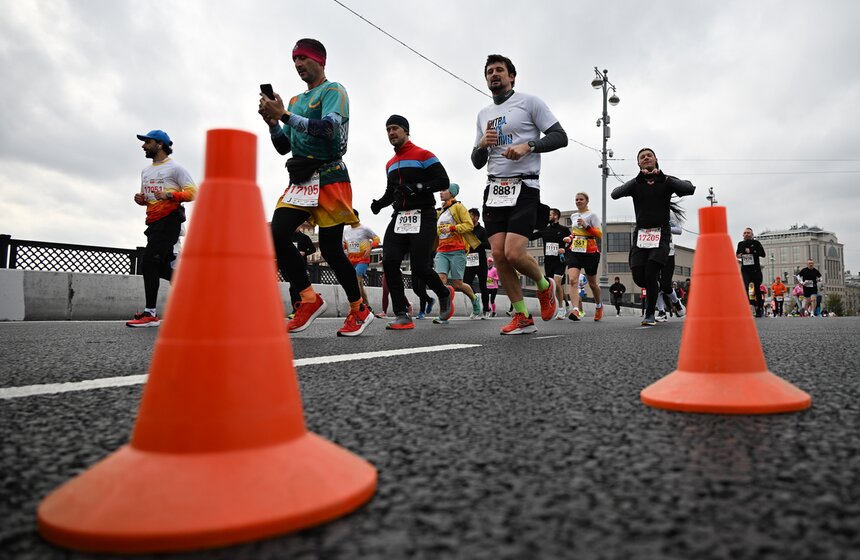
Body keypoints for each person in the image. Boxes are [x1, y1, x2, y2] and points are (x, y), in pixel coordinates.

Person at [259, 38, 373, 337]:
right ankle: (309, 298)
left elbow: (328, 129)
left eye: (303, 58)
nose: (298, 64)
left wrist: (284, 115)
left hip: (331, 176)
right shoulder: (295, 101)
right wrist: (273, 123)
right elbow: (284, 146)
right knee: (277, 233)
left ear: (320, 60)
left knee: (332, 250)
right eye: (294, 60)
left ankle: (359, 308)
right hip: (301, 180)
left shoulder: (334, 91)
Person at [471, 54, 569, 335]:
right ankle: (522, 316)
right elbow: (476, 161)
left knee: (514, 253)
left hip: (525, 186)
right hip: (494, 189)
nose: (494, 74)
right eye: (489, 71)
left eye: (499, 70)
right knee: (499, 255)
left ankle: (545, 285)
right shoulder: (483, 114)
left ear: (511, 76)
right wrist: (481, 144)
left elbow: (560, 136)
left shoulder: (529, 102)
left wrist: (529, 146)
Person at [370, 114, 454, 330]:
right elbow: (392, 192)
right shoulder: (390, 164)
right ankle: (402, 314)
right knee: (389, 261)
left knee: (420, 267)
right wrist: (379, 204)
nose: (391, 133)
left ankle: (444, 293)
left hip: (423, 215)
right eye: (388, 129)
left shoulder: (424, 155)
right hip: (400, 216)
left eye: (395, 128)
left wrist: (417, 187)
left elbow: (442, 181)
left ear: (406, 131)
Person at [611, 148, 696, 326]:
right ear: (638, 163)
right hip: (641, 234)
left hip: (661, 234)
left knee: (651, 271)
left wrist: (663, 177)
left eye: (649, 155)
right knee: (639, 276)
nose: (646, 158)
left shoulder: (666, 181)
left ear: (656, 159)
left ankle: (651, 314)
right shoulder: (637, 184)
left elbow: (689, 188)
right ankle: (659, 294)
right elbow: (615, 194)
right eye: (642, 157)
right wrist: (638, 179)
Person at [127, 130, 197, 327]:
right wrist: (141, 199)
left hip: (170, 221)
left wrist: (170, 195)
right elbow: (148, 197)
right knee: (161, 267)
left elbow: (193, 192)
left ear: (159, 144)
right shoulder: (145, 171)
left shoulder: (175, 168)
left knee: (148, 262)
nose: (143, 146)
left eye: (147, 142)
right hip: (153, 222)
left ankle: (150, 314)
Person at [433, 184, 482, 324]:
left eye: (444, 190)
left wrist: (452, 228)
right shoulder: (440, 211)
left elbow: (469, 225)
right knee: (440, 280)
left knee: (458, 284)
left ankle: (474, 299)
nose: (440, 192)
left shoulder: (459, 207)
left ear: (452, 192)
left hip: (457, 250)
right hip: (441, 250)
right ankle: (444, 313)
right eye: (440, 190)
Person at [562, 192, 604, 321]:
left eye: (581, 199)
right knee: (573, 280)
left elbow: (599, 234)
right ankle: (575, 309)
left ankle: (599, 305)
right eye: (576, 199)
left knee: (592, 283)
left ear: (587, 201)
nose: (578, 201)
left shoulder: (592, 215)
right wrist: (569, 238)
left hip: (590, 252)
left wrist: (587, 226)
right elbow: (575, 233)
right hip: (575, 250)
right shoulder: (574, 216)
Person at [531, 208, 571, 320]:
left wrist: (565, 250)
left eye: (550, 215)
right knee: (554, 286)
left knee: (557, 283)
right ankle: (565, 303)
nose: (548, 217)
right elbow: (530, 237)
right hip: (548, 261)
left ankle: (561, 309)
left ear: (556, 216)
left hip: (560, 261)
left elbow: (572, 244)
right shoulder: (544, 229)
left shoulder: (564, 230)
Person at [342, 209, 380, 310]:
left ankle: (358, 307)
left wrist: (370, 248)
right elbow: (345, 245)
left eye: (348, 216)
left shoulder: (365, 229)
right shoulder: (346, 231)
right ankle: (368, 306)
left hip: (363, 260)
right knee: (360, 285)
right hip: (351, 260)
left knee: (355, 279)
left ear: (354, 217)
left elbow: (377, 239)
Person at [463, 208, 492, 319]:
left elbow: (489, 245)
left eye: (470, 216)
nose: (468, 218)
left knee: (483, 286)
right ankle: (475, 299)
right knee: (466, 283)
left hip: (480, 262)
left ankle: (486, 310)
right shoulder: (466, 230)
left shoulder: (482, 231)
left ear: (476, 217)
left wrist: (477, 243)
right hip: (469, 261)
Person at [286, 223, 316, 319]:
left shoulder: (304, 237)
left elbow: (313, 249)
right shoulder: (287, 236)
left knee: (299, 287)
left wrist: (304, 253)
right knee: (292, 287)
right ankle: (295, 309)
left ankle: (301, 309)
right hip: (289, 264)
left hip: (301, 264)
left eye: (297, 225)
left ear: (300, 226)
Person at [736, 227, 766, 318]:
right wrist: (740, 255)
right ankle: (747, 307)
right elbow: (737, 254)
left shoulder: (756, 243)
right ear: (743, 235)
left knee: (757, 289)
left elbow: (763, 254)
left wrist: (752, 251)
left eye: (748, 233)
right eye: (745, 233)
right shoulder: (740, 244)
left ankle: (759, 308)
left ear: (752, 234)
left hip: (755, 270)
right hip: (745, 270)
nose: (746, 234)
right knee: (745, 288)